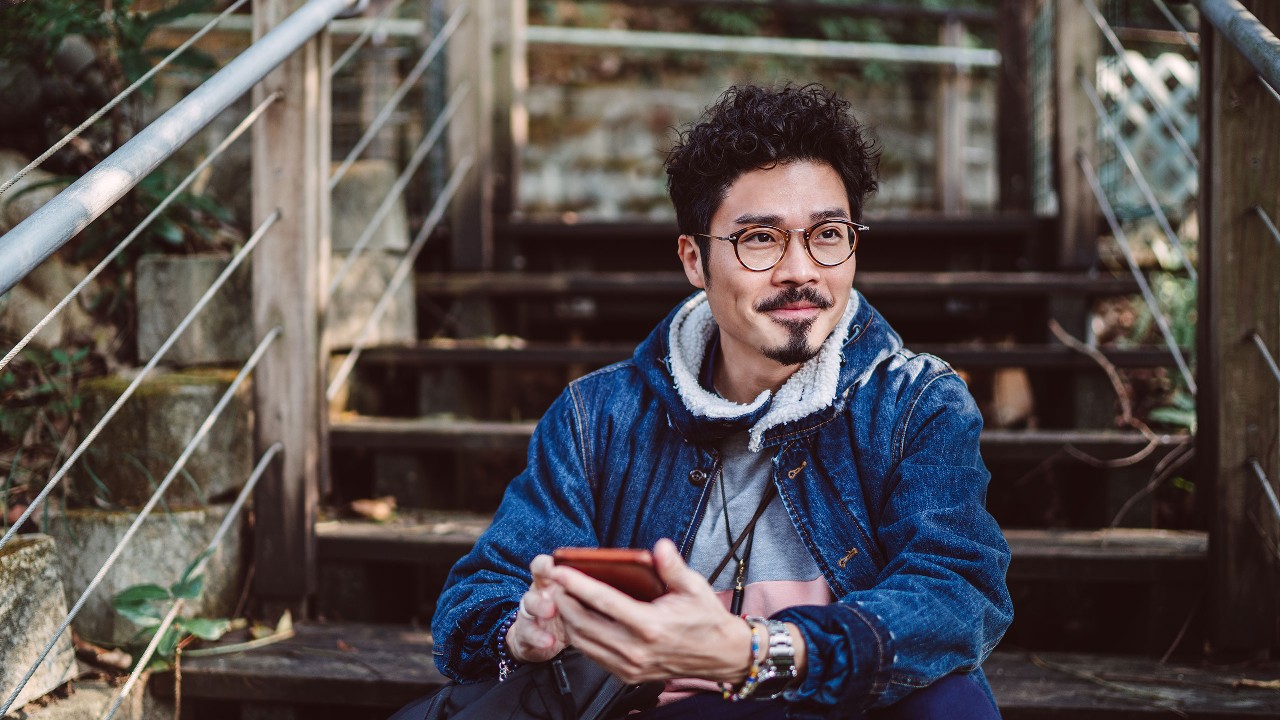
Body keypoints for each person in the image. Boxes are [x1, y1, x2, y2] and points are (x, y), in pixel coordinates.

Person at [432, 83, 1013, 719]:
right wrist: (527, 634)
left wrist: (755, 652)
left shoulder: (915, 404)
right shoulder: (595, 417)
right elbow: (477, 601)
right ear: (693, 259)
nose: (800, 269)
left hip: (837, 704)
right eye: (760, 238)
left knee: (952, 697)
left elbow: (957, 591)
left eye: (827, 233)